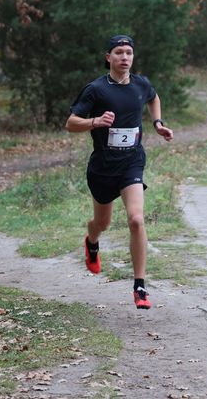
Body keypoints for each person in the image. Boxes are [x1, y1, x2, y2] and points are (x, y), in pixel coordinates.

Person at [65, 35, 174, 310]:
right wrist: (95, 121)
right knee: (101, 224)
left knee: (136, 219)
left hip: (131, 163)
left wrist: (158, 122)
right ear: (108, 57)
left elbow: (154, 97)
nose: (124, 57)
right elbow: (71, 123)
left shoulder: (141, 84)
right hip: (103, 168)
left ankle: (140, 285)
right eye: (119, 52)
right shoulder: (96, 89)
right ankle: (91, 241)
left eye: (129, 53)